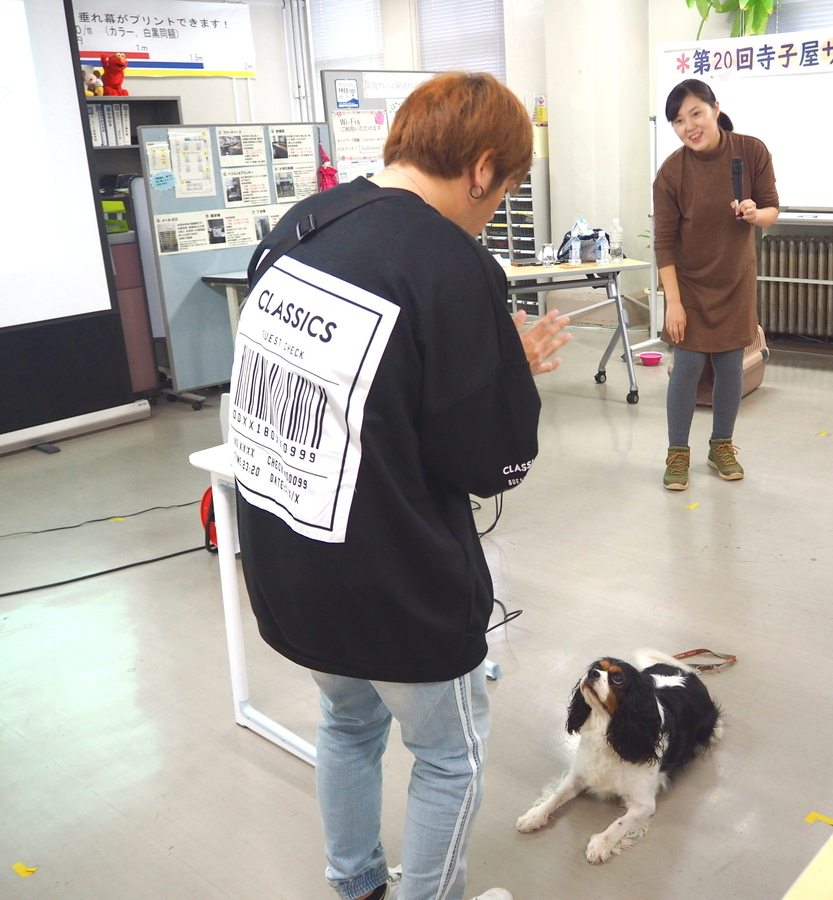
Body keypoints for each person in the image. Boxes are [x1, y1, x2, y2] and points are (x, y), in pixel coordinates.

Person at [227, 72, 570, 900]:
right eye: (505, 189)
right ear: (482, 168)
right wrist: (508, 374)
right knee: (451, 756)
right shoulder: (451, 263)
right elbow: (485, 461)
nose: (494, 209)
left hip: (287, 556)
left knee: (347, 722)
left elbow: (362, 394)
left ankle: (356, 885)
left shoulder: (303, 224)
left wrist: (487, 365)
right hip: (394, 581)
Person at [653, 78, 780, 491]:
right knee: (687, 366)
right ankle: (677, 452)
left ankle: (720, 446)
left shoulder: (751, 151)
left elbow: (772, 209)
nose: (689, 126)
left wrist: (755, 214)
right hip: (689, 283)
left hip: (735, 279)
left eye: (696, 113)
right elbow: (664, 242)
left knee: (729, 366)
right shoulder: (672, 172)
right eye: (678, 120)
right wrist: (673, 302)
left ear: (715, 109)